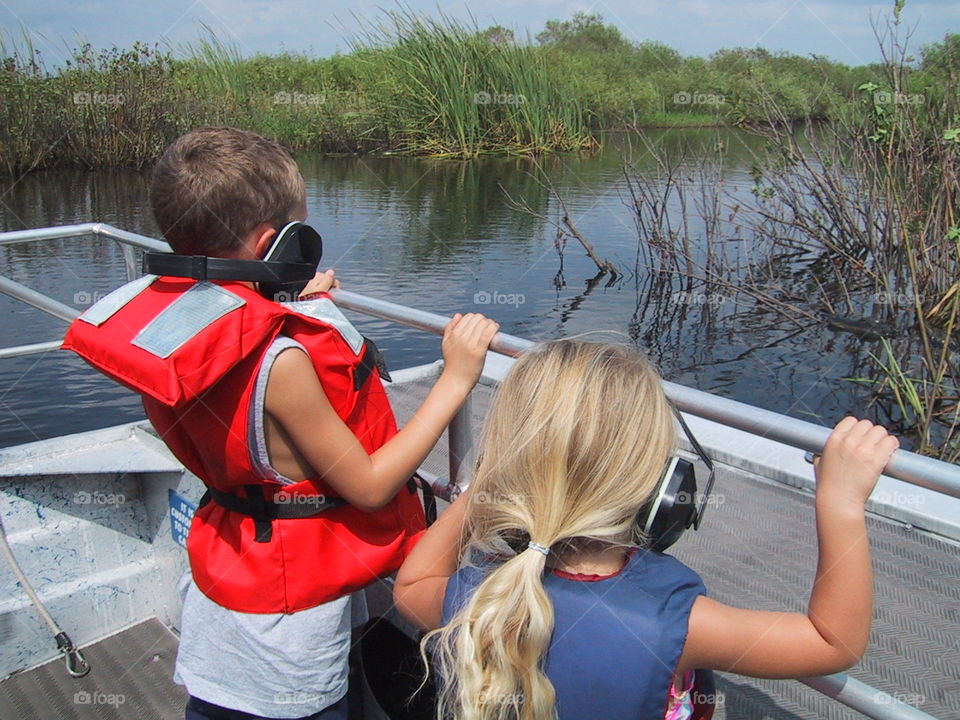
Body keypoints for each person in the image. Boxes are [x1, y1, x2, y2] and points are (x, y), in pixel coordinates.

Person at [62, 126, 500, 720]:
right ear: (280, 242)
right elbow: (370, 486)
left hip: (225, 593)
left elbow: (228, 369)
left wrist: (290, 303)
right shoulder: (285, 359)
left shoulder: (166, 333)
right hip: (288, 640)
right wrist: (456, 379)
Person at [393, 340, 900, 720]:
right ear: (657, 486)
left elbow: (411, 585)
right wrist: (840, 503)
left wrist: (490, 480)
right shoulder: (678, 624)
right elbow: (833, 641)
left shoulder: (479, 596)